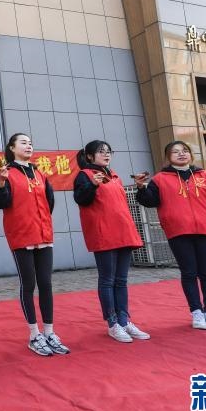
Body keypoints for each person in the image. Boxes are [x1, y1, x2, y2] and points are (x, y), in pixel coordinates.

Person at [0, 133, 70, 357]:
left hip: (43, 234)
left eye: (30, 143)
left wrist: (41, 222)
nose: (28, 146)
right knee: (29, 284)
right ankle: (34, 335)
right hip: (22, 236)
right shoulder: (7, 173)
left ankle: (49, 332)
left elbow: (49, 202)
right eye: (23, 143)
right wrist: (1, 183)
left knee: (46, 284)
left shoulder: (40, 173)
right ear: (12, 148)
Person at [135, 141, 206, 331]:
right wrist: (141, 188)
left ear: (190, 154)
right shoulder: (160, 179)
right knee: (189, 273)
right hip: (178, 232)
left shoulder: (205, 175)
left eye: (184, 151)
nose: (181, 154)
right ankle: (196, 311)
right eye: (175, 152)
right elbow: (150, 201)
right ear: (168, 157)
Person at [73, 140, 150, 343]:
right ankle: (113, 323)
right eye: (101, 151)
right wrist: (92, 184)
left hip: (123, 231)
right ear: (89, 156)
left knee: (121, 280)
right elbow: (81, 199)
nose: (106, 154)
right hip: (103, 233)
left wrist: (139, 186)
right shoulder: (85, 175)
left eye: (108, 151)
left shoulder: (114, 175)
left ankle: (124, 320)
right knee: (107, 280)